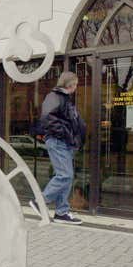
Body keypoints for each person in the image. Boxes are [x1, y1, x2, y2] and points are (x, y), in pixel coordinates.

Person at [29, 72, 86, 225]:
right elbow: (48, 118)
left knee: (67, 177)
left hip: (64, 142)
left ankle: (61, 212)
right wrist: (67, 135)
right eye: (76, 84)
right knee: (65, 175)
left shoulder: (65, 99)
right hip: (58, 141)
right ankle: (40, 202)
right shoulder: (54, 97)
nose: (76, 87)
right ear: (70, 84)